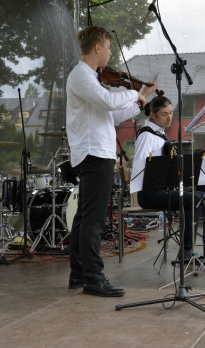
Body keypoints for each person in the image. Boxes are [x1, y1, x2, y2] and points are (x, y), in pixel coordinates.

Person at [66, 26, 158, 297]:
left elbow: (112, 116)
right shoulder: (81, 75)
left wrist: (143, 99)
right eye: (108, 47)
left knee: (85, 218)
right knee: (93, 221)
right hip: (94, 154)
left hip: (97, 152)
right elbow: (108, 101)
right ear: (97, 48)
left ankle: (79, 274)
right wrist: (134, 93)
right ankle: (93, 279)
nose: (109, 52)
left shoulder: (91, 79)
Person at [129, 95, 205, 260]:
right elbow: (140, 170)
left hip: (162, 190)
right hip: (149, 194)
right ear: (153, 114)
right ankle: (187, 251)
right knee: (195, 200)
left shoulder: (160, 134)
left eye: (171, 113)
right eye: (164, 114)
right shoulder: (146, 136)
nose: (169, 117)